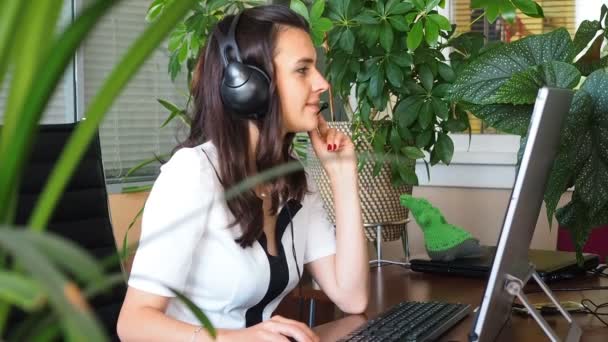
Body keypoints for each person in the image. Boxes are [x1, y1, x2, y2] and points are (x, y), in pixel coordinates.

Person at [117, 5, 369, 342]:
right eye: (302, 70)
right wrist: (238, 338)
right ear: (248, 85)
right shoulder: (193, 174)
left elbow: (352, 297)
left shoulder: (290, 180)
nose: (322, 84)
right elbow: (133, 323)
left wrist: (342, 176)